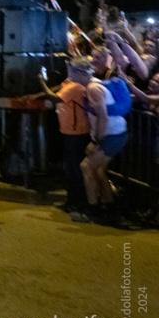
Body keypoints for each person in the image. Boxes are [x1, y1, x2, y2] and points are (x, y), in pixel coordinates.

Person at [70, 59, 129, 224]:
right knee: (99, 170)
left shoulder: (93, 88)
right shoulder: (95, 84)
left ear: (81, 73)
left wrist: (95, 142)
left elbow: (102, 117)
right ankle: (110, 208)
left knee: (86, 166)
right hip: (116, 134)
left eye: (72, 72)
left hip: (111, 135)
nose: (69, 75)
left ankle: (93, 210)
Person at [38, 59, 92, 222]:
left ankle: (77, 203)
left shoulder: (77, 86)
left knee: (74, 169)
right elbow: (60, 87)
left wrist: (42, 83)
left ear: (80, 72)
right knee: (70, 168)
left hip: (76, 132)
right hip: (70, 131)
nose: (69, 70)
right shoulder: (72, 82)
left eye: (72, 68)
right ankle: (71, 201)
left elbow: (55, 98)